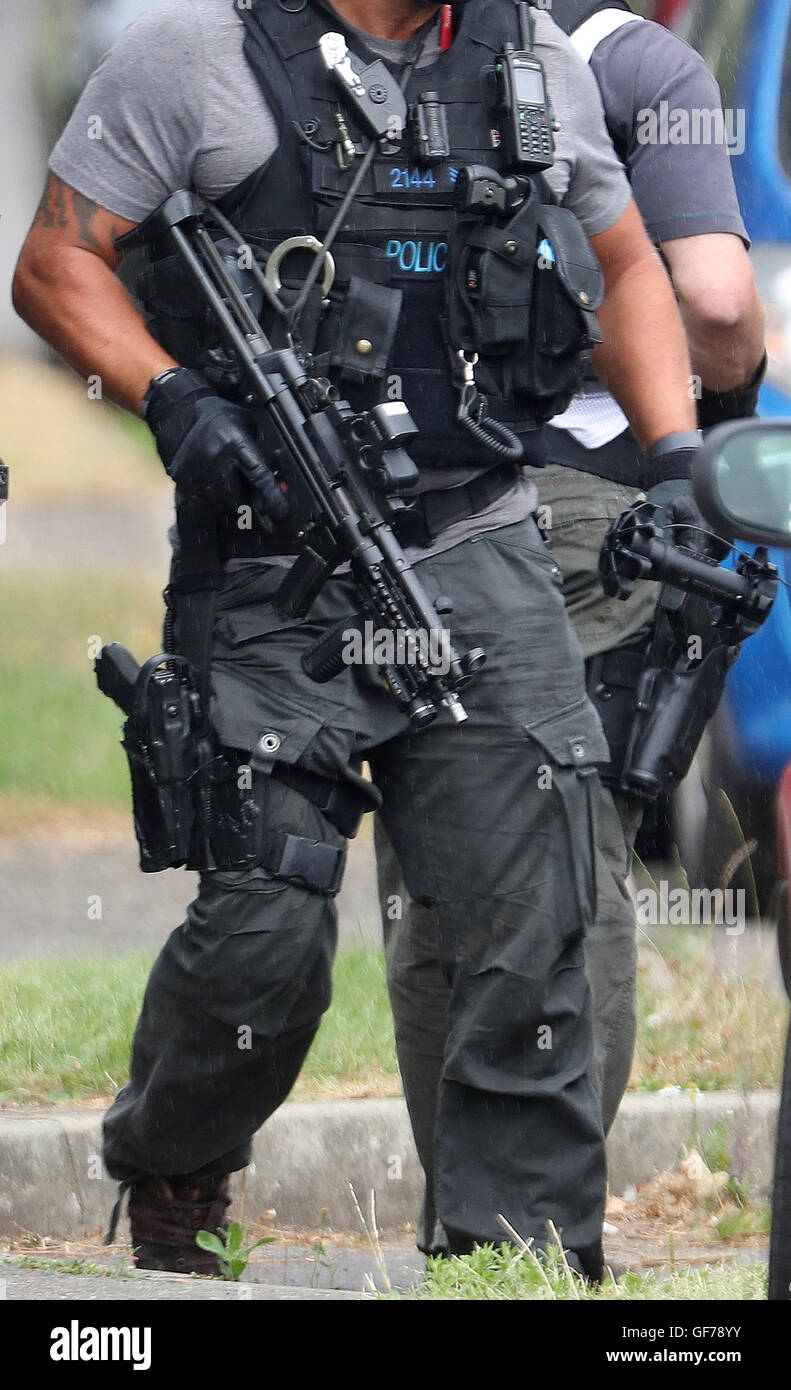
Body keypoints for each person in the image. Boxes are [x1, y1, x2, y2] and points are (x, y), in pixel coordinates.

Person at [14, 0, 708, 1280]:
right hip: (278, 555)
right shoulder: (193, 60)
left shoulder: (530, 63)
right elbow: (57, 261)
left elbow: (623, 268)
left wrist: (671, 457)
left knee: (540, 904)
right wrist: (171, 399)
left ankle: (511, 1250)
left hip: (481, 542)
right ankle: (173, 1159)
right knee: (264, 932)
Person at [374, 0, 766, 1255]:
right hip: (583, 513)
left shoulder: (387, 50)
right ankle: (539, 1231)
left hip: (398, 508)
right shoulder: (643, 66)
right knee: (572, 867)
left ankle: (463, 1211)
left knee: (433, 868)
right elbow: (709, 297)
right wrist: (721, 412)